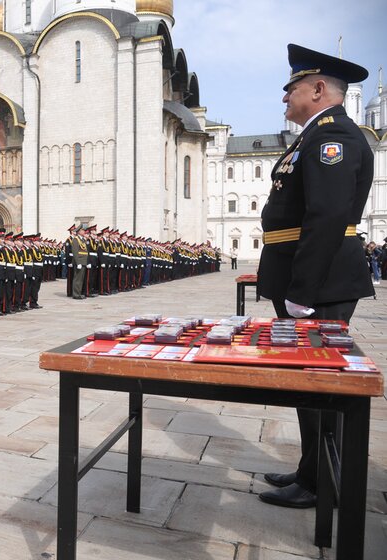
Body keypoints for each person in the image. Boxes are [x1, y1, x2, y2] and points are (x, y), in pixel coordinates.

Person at [257, 44, 373, 509]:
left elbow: (326, 215)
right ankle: (310, 470)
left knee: (317, 381)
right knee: (306, 380)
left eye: (292, 89)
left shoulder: (334, 137)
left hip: (317, 285)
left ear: (319, 89)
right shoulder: (311, 137)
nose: (285, 98)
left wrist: (301, 293)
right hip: (306, 280)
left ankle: (321, 481)